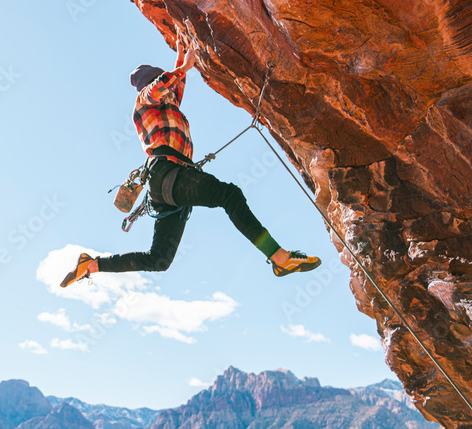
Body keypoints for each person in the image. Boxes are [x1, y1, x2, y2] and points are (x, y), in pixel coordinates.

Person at [60, 36, 321, 288]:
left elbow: (175, 84)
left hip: (167, 184)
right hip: (166, 175)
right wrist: (181, 68)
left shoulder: (168, 105)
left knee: (159, 259)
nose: (171, 89)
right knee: (229, 195)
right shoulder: (144, 101)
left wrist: (181, 58)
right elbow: (158, 88)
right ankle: (279, 258)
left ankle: (92, 265)